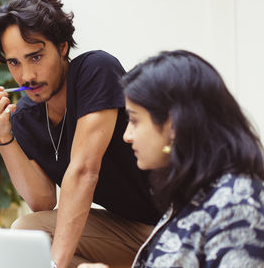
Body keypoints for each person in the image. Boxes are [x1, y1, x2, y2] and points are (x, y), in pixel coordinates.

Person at [0, 0, 159, 268]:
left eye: (35, 57)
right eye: (14, 62)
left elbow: (86, 170)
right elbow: (42, 200)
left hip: (176, 223)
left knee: (50, 255)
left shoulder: (95, 70)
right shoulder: (26, 115)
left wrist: (56, 266)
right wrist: (3, 136)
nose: (26, 76)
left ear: (62, 47)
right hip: (129, 233)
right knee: (28, 230)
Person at [79, 50, 264, 267]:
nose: (127, 135)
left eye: (135, 120)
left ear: (175, 125)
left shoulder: (237, 204)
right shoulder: (193, 195)